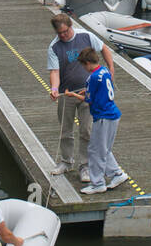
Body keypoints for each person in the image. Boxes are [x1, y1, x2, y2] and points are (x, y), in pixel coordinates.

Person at [46, 12, 114, 183]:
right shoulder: (54, 47)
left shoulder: (86, 36)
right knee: (65, 130)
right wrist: (54, 88)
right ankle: (66, 161)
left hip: (88, 91)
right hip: (67, 93)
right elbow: (54, 71)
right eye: (59, 33)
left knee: (87, 130)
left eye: (65, 32)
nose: (63, 35)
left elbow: (104, 49)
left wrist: (111, 70)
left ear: (70, 26)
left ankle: (85, 166)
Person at [66, 47, 127, 194]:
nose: (84, 69)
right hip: (114, 114)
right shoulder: (104, 70)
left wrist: (73, 96)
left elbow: (89, 100)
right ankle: (117, 174)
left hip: (103, 117)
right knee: (104, 148)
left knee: (95, 150)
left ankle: (97, 183)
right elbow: (100, 89)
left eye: (83, 65)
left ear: (87, 63)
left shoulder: (92, 77)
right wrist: (86, 90)